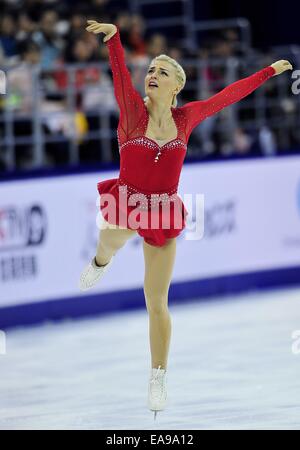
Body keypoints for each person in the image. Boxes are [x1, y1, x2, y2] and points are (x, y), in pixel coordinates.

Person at [79, 19, 293, 419]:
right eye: (152, 71)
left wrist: (268, 71)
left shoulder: (186, 118)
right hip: (127, 204)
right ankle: (99, 263)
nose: (153, 76)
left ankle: (158, 376)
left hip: (162, 209)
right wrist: (115, 40)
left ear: (177, 85)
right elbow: (120, 74)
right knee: (109, 243)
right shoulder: (132, 112)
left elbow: (228, 95)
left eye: (163, 72)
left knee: (156, 301)